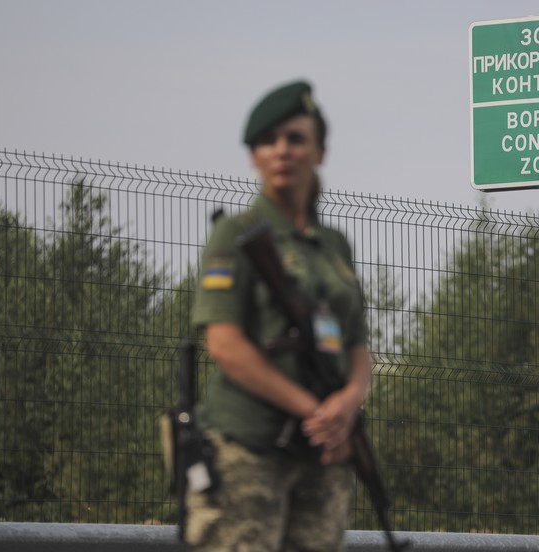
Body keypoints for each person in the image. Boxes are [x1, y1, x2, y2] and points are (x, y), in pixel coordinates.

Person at [186, 80, 373, 551]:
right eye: (268, 141)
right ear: (254, 157)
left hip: (322, 457)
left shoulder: (334, 246)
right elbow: (225, 345)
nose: (282, 151)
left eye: (296, 138)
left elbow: (357, 346)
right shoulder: (238, 234)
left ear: (320, 151)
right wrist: (315, 412)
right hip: (249, 449)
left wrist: (347, 405)